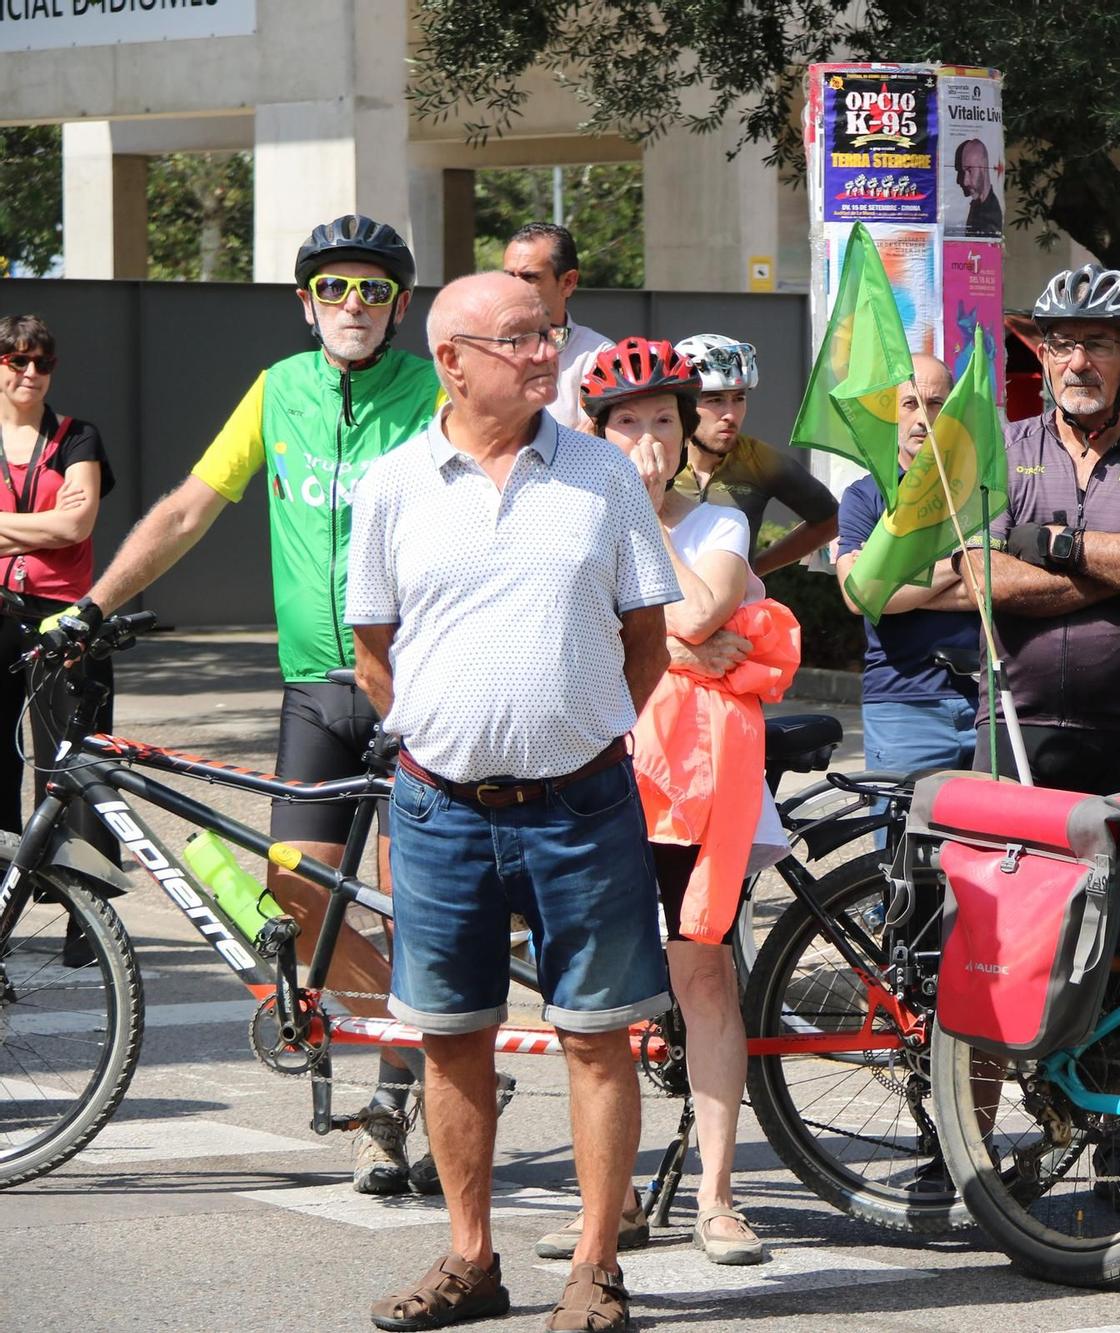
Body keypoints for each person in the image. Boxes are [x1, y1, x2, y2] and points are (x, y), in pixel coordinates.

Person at [75, 215, 440, 1195]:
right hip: (317, 687)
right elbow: (192, 505)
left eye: (371, 289)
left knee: (420, 913)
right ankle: (443, 1028)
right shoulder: (279, 391)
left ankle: (395, 1114)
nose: (352, 306)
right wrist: (91, 604)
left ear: (399, 305)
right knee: (295, 889)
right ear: (304, 302)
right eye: (334, 289)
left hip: (420, 685)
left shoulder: (434, 392)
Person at [347, 273, 678, 1333]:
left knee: (595, 1035)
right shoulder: (394, 483)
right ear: (452, 359)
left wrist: (572, 735)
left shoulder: (601, 475)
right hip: (439, 810)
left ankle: (594, 1267)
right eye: (520, 339)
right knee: (450, 1037)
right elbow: (371, 652)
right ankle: (470, 1258)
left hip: (583, 807)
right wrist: (452, 740)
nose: (545, 354)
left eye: (548, 336)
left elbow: (646, 641)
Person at [563, 335, 793, 1268]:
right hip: (600, 776)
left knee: (704, 979)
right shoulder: (563, 523)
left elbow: (697, 613)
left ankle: (719, 1195)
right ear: (596, 433)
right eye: (628, 425)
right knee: (599, 997)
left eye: (665, 420)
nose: (650, 440)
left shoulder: (715, 524)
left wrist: (643, 518)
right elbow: (564, 633)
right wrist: (683, 653)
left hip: (698, 790)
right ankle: (604, 1206)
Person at [955, 261, 1120, 796]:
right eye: (1061, 344)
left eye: (1097, 344)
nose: (1077, 363)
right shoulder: (1001, 449)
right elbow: (987, 582)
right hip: (1013, 721)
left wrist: (1056, 546)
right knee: (1006, 875)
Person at [0, 315, 117, 863]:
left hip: (63, 616)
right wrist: (43, 523)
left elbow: (75, 526)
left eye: (42, 363)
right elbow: (56, 523)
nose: (31, 372)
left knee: (75, 763)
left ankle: (87, 924)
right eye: (17, 360)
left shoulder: (78, 436)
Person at [836, 354, 980, 775]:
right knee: (897, 840)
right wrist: (962, 562)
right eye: (910, 404)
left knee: (990, 838)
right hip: (902, 704)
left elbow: (1004, 586)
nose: (923, 418)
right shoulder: (865, 498)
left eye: (936, 403)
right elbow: (860, 595)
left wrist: (897, 588)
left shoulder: (984, 491)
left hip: (990, 701)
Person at [671, 333, 840, 576]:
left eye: (739, 398)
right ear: (683, 404)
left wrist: (753, 570)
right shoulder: (655, 461)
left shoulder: (759, 460)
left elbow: (830, 520)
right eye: (716, 399)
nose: (730, 414)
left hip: (733, 610)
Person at [501, 221, 612, 432]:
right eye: (508, 276)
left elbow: (591, 448)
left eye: (529, 277)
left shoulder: (599, 358)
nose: (513, 288)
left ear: (568, 282)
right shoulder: (481, 346)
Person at [953, 137, 1003, 237]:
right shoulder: (978, 205)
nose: (965, 181)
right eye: (964, 172)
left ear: (983, 166)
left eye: (970, 171)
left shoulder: (991, 214)